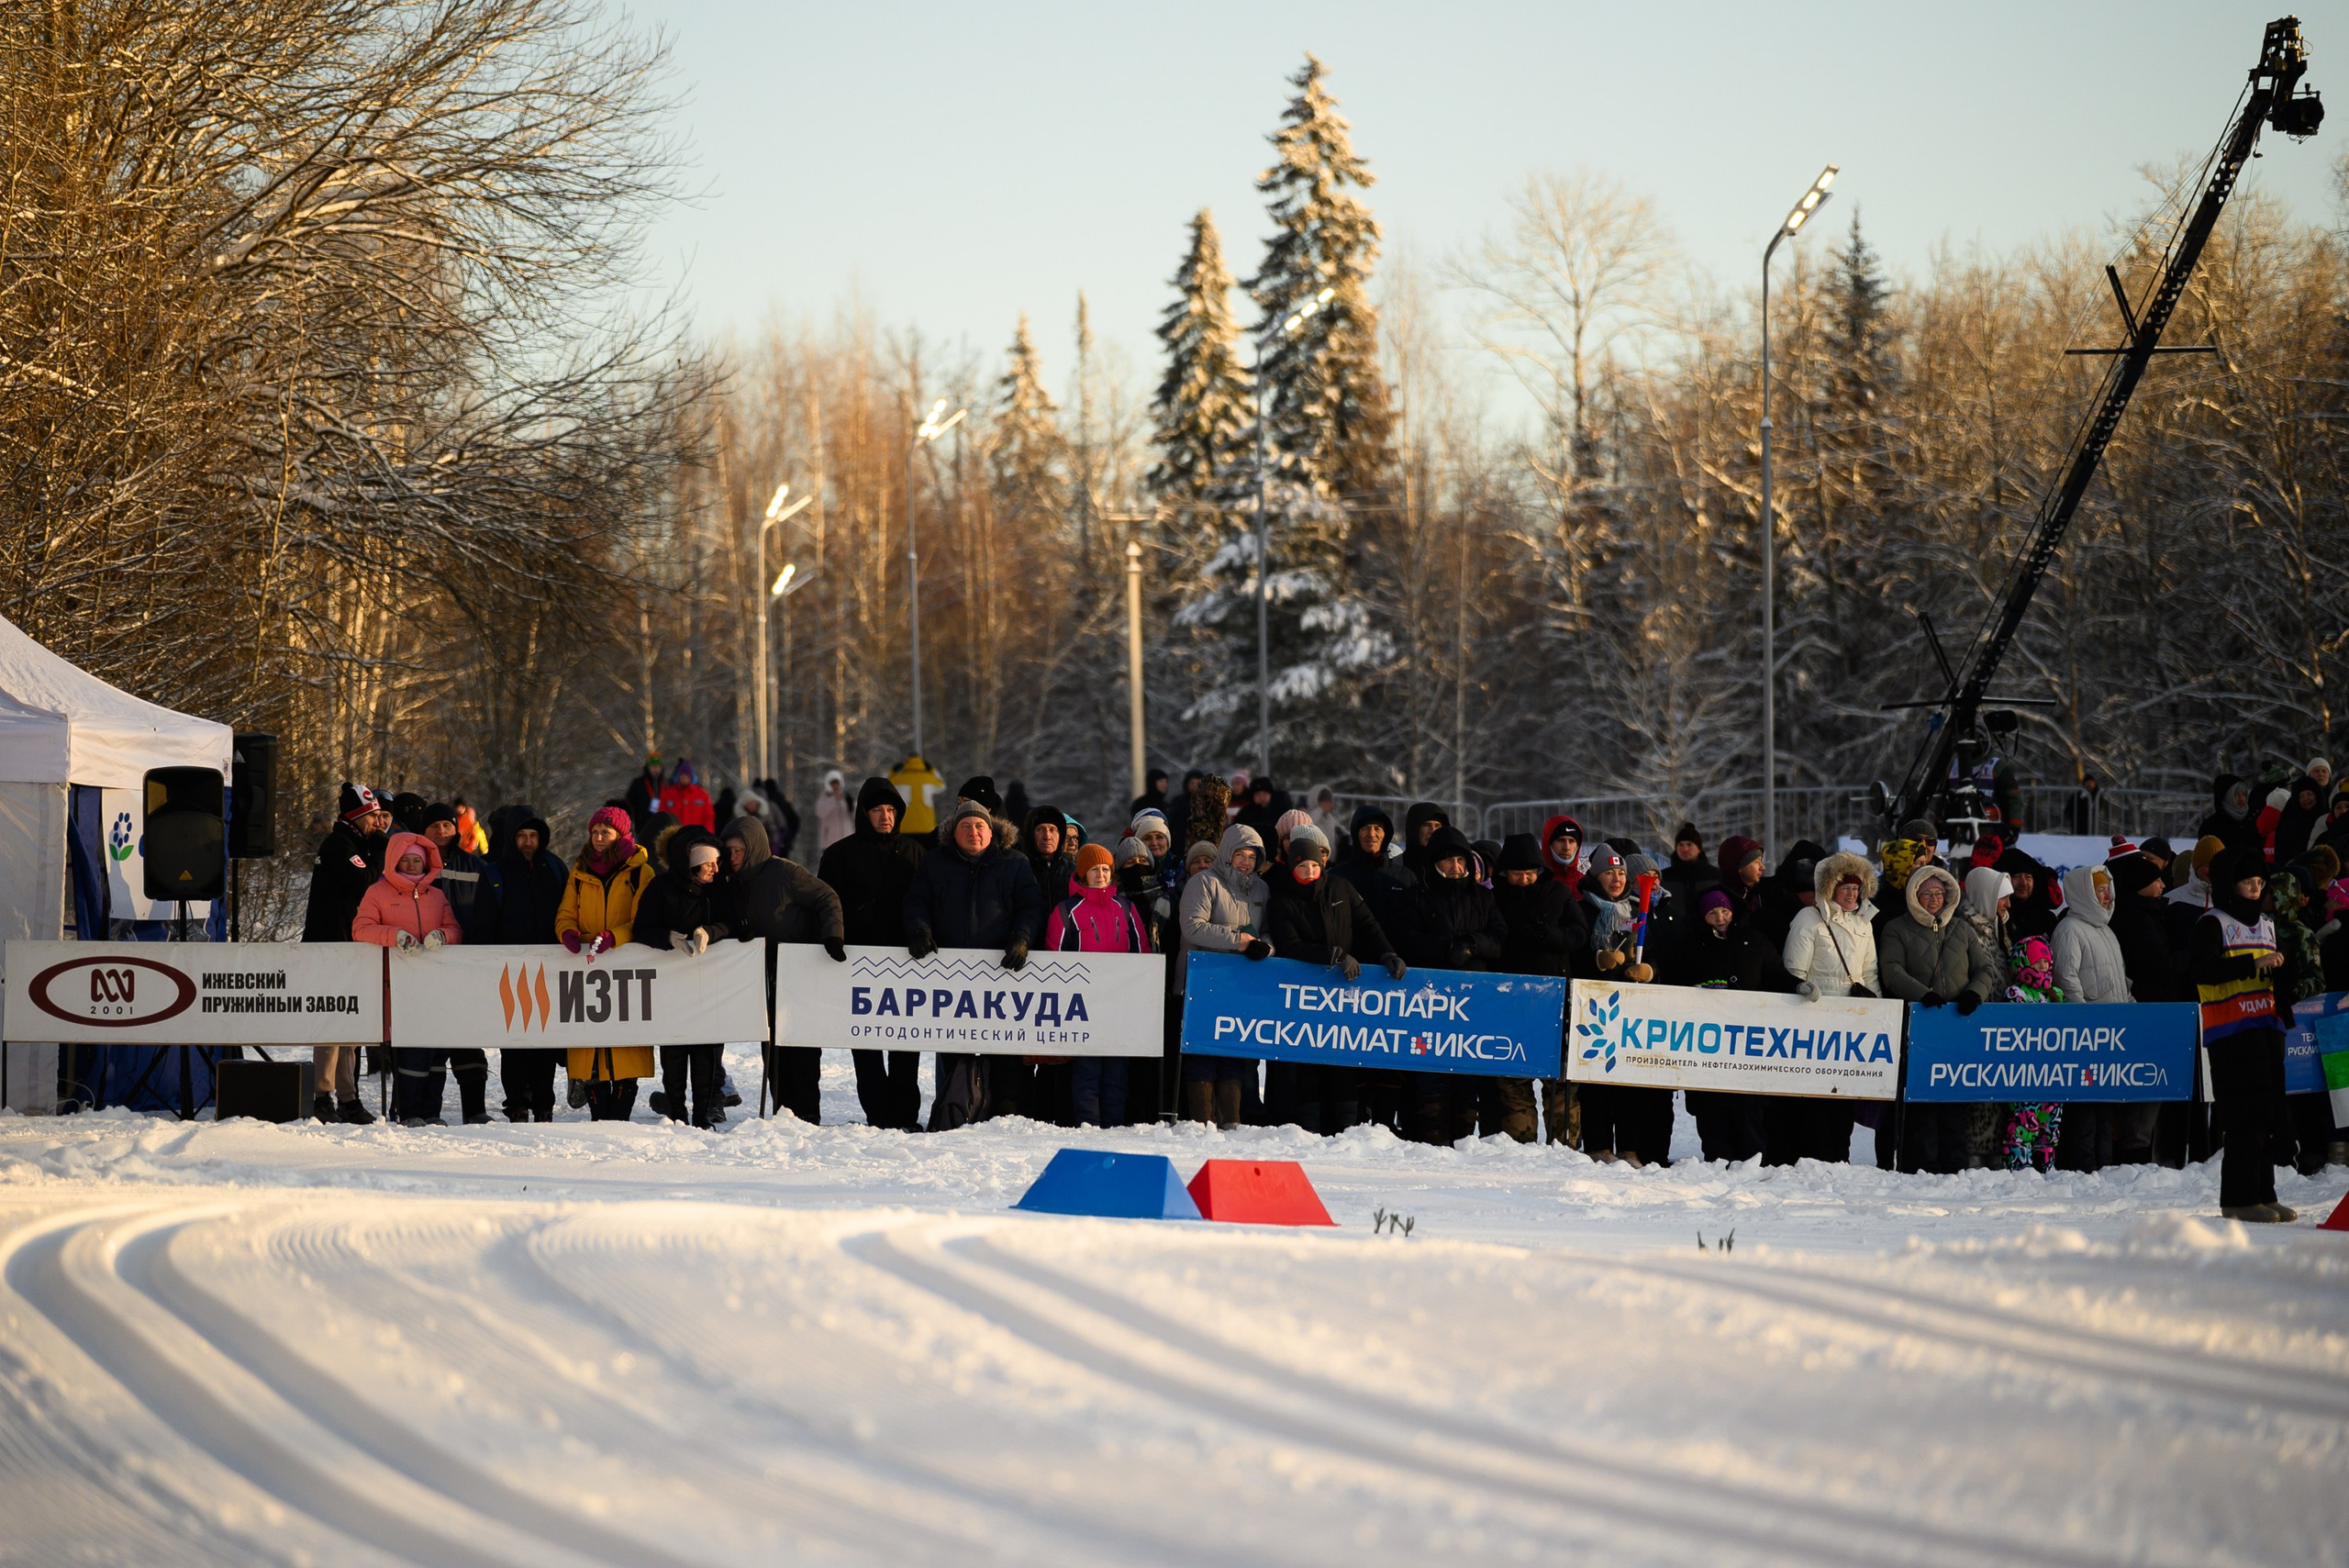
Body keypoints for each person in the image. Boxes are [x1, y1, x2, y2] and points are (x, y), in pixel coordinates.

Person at [905, 798, 1044, 1130]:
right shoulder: (935, 863)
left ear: (991, 830)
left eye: (979, 825)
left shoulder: (1015, 863)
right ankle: (955, 1114)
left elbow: (1032, 905)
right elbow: (915, 901)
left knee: (1007, 1053)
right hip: (950, 980)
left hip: (1005, 976)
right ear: (953, 833)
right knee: (954, 1054)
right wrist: (918, 929)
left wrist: (1022, 937)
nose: (973, 832)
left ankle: (1008, 1119)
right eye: (965, 826)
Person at [1266, 822, 1406, 1136]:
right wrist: (1334, 955)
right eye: (1302, 866)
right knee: (1310, 1064)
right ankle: (1310, 1130)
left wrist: (1386, 953)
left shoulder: (1340, 887)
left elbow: (1368, 924)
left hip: (1344, 991)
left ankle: (1346, 1129)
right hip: (1304, 994)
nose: (1309, 871)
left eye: (1315, 864)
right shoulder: (1283, 900)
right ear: (1292, 867)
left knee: (1342, 1060)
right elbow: (1290, 945)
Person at [2192, 846, 2297, 1219]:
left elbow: (2272, 976)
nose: (2254, 888)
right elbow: (2203, 971)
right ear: (2229, 884)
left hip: (2265, 1029)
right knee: (2243, 1119)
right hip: (2231, 1033)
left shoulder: (2267, 923)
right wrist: (2254, 962)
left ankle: (2263, 1193)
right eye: (2246, 882)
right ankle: (2237, 1199)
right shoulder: (2213, 923)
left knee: (2268, 1117)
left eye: (2258, 882)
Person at [1876, 862, 1998, 1173]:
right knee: (1922, 1102)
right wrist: (1922, 995)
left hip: (1958, 1024)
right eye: (1926, 893)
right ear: (1914, 895)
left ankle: (1954, 1163)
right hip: (1919, 1027)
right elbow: (1891, 971)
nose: (1934, 899)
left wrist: (1975, 994)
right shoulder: (1897, 928)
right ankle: (1922, 1164)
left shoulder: (1961, 928)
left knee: (1954, 1100)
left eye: (1939, 893)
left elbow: (1984, 969)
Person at [723, 812, 844, 1124]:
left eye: (740, 850)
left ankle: (806, 1113)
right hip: (762, 976)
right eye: (730, 851)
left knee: (801, 1049)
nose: (734, 857)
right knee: (772, 1047)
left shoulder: (784, 872)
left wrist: (832, 936)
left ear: (754, 848)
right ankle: (784, 1112)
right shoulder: (731, 882)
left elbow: (826, 896)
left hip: (800, 970)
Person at [818, 778, 926, 1129]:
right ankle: (878, 1117)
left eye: (892, 809)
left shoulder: (915, 853)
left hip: (907, 962)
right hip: (857, 964)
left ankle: (906, 1116)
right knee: (865, 1047)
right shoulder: (839, 855)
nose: (886, 816)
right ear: (864, 813)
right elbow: (826, 906)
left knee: (906, 1045)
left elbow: (928, 903)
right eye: (878, 809)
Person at [1775, 853, 1881, 1165]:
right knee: (1816, 1091)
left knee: (1844, 1090)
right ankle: (1813, 1156)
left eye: (1856, 888)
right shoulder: (1809, 919)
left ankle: (1840, 1155)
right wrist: (1801, 991)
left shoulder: (1864, 924)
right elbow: (1793, 969)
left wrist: (1876, 1010)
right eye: (1845, 887)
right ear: (1829, 888)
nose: (1851, 894)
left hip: (1852, 1020)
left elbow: (1869, 973)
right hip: (1815, 1019)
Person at [354, 831, 464, 1126]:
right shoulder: (378, 893)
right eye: (406, 860)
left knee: (437, 1053)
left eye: (418, 860)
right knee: (410, 1051)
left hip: (434, 987)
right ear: (395, 862)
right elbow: (361, 928)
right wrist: (395, 936)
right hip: (396, 987)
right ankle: (407, 1111)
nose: (413, 866)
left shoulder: (437, 895)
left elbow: (455, 929)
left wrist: (443, 935)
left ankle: (432, 1112)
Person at [1682, 884, 1798, 1162]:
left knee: (1749, 1103)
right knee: (1712, 1105)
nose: (1721, 918)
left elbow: (1776, 973)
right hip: (1706, 1039)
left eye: (1724, 911)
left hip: (1748, 1040)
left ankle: (1753, 1161)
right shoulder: (1690, 944)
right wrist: (1696, 989)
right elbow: (1677, 979)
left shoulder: (1754, 939)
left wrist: (1800, 986)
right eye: (1712, 913)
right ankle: (1717, 1160)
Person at [1043, 842, 1154, 1128]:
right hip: (1083, 1003)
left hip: (1120, 1002)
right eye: (1095, 870)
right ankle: (1088, 1124)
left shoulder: (1125, 907)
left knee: (1117, 1067)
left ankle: (1114, 1124)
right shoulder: (1067, 911)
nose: (1102, 875)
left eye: (1106, 869)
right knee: (1088, 1069)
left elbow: (1143, 954)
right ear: (1083, 873)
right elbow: (1053, 958)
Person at [630, 828, 733, 1128]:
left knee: (706, 1053)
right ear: (691, 864)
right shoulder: (661, 888)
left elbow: (734, 923)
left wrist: (711, 932)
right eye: (709, 863)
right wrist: (667, 937)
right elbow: (642, 929)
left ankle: (703, 1115)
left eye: (717, 862)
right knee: (674, 1054)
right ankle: (676, 1112)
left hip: (708, 984)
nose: (716, 868)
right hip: (671, 986)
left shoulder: (720, 889)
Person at [557, 806, 653, 1120]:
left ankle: (620, 1117)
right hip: (587, 967)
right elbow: (567, 911)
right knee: (592, 1046)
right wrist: (567, 932)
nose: (598, 838)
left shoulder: (640, 870)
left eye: (605, 832)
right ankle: (599, 1116)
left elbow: (644, 919)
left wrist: (616, 936)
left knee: (625, 1043)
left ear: (621, 835)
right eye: (595, 832)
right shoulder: (580, 868)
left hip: (625, 966)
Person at [1493, 832, 1588, 1148]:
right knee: (1513, 1080)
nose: (1524, 879)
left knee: (1560, 1081)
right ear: (1505, 872)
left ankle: (1566, 1146)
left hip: (1554, 1002)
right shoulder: (1495, 897)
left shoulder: (1558, 893)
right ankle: (1519, 1145)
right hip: (1511, 1002)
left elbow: (1579, 934)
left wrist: (1551, 936)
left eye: (1530, 873)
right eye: (1517, 874)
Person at [303, 783, 391, 1121]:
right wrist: (380, 847)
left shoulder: (353, 842)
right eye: (373, 818)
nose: (378, 824)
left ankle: (347, 1097)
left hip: (349, 945)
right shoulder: (340, 844)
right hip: (332, 946)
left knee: (350, 1022)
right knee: (333, 1021)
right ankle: (323, 1096)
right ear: (357, 817)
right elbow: (366, 880)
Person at [1580, 844, 1672, 1164]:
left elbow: (1660, 954)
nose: (1616, 879)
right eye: (1609, 873)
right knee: (1595, 1082)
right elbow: (1573, 951)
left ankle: (1629, 1147)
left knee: (1627, 1082)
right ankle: (1597, 1145)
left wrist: (1649, 970)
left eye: (1620, 873)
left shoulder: (1636, 911)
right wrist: (1596, 958)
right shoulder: (1584, 907)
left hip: (1629, 1009)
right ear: (1596, 877)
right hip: (1593, 1009)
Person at [1178, 822, 1273, 1129]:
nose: (1246, 861)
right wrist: (1240, 940)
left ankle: (1231, 1121)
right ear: (1227, 854)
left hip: (1239, 983)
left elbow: (1269, 930)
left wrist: (1266, 948)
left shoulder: (1261, 888)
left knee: (1233, 1050)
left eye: (1252, 856)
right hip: (1202, 981)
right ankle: (1200, 1122)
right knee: (1203, 1052)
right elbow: (1192, 926)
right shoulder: (1204, 882)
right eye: (1240, 854)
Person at [414, 804, 497, 1122]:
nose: (440, 831)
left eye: (446, 825)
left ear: (456, 828)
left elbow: (487, 913)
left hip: (465, 961)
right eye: (433, 826)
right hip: (423, 963)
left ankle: (475, 1111)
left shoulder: (475, 866)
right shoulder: (413, 863)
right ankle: (419, 1110)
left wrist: (481, 952)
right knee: (426, 1041)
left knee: (467, 1039)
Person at [2048, 861, 2132, 1172]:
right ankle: (2082, 1169)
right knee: (2084, 1108)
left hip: (2112, 1037)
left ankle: (2104, 1166)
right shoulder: (2069, 930)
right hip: (2087, 1037)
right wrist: (2082, 1020)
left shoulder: (2107, 931)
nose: (2107, 896)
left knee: (2106, 1109)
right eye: (2100, 890)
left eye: (2108, 890)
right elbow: (2066, 979)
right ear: (2084, 893)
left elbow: (2120, 982)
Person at [2107, 851, 2182, 1164]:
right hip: (2149, 1010)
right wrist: (2189, 956)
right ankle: (2134, 1154)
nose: (2163, 885)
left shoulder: (2146, 911)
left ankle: (2135, 1150)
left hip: (2150, 1008)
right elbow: (2158, 964)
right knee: (2146, 1086)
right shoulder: (2137, 917)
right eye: (2156, 880)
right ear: (2140, 884)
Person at [493, 806, 567, 1121]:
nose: (527, 841)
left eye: (533, 836)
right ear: (512, 837)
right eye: (522, 835)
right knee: (513, 1040)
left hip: (548, 966)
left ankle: (544, 1103)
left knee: (544, 1040)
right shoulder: (494, 872)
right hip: (507, 967)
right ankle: (516, 1102)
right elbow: (484, 922)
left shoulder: (555, 867)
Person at [2198, 773, 2262, 859]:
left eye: (2244, 794)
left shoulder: (2255, 821)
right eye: (2236, 794)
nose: (2242, 798)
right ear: (2226, 796)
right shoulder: (2210, 827)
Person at [659, 758, 715, 833]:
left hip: (696, 834)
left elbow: (708, 817)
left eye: (686, 777)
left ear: (691, 778)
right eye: (682, 776)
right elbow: (662, 816)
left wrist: (708, 834)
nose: (684, 779)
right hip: (674, 835)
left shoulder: (702, 795)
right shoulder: (668, 794)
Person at [814, 770, 855, 853]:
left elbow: (856, 814)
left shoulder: (845, 798)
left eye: (837, 783)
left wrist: (851, 803)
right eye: (832, 784)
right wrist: (834, 799)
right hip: (830, 842)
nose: (835, 786)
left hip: (847, 840)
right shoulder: (824, 799)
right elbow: (820, 813)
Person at [625, 753, 662, 829]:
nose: (656, 770)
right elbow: (629, 803)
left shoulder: (666, 783)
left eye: (658, 767)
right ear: (648, 767)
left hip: (663, 822)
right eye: (654, 767)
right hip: (643, 824)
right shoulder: (638, 783)